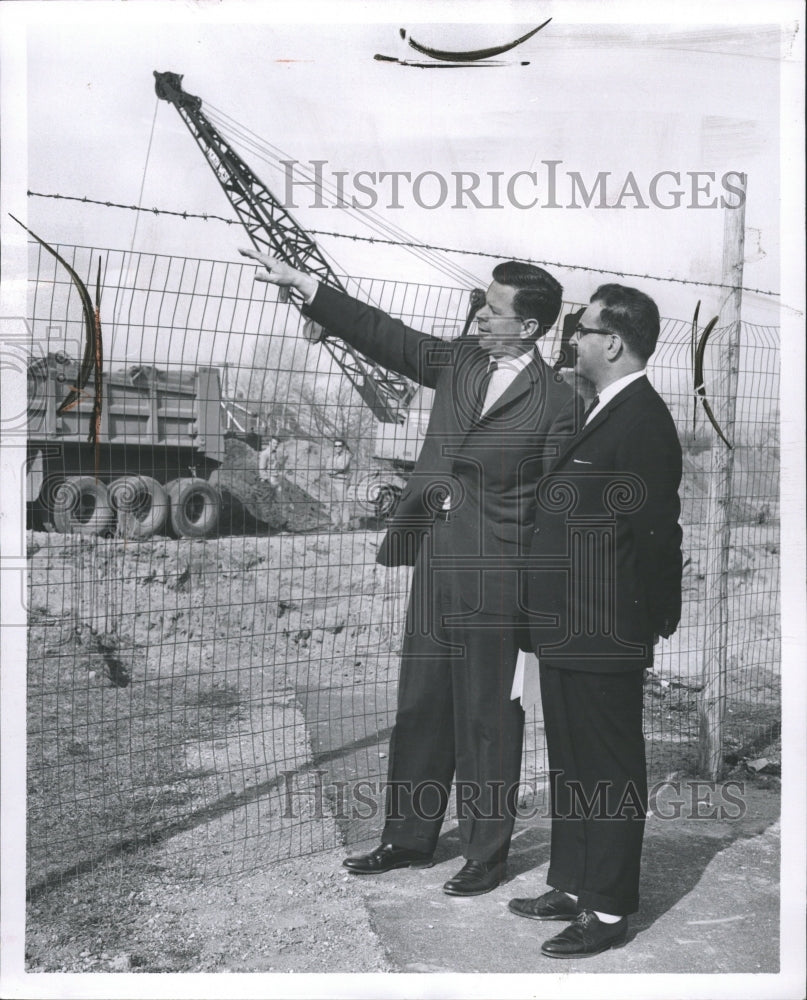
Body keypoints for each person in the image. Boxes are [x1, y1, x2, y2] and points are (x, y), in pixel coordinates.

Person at [241, 247, 581, 896]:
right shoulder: (459, 359)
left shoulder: (557, 404)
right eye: (482, 301)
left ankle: (485, 851)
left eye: (493, 308)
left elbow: (558, 511)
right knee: (421, 703)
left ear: (530, 329)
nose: (478, 313)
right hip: (437, 564)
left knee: (488, 713)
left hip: (499, 580)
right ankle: (406, 837)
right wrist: (310, 288)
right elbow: (385, 335)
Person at [510, 284, 683, 956]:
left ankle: (608, 911)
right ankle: (574, 883)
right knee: (574, 762)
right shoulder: (604, 408)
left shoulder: (641, 420)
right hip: (565, 626)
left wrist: (646, 623)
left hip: (605, 628)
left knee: (607, 769)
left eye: (582, 330)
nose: (571, 339)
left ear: (612, 342)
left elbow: (653, 535)